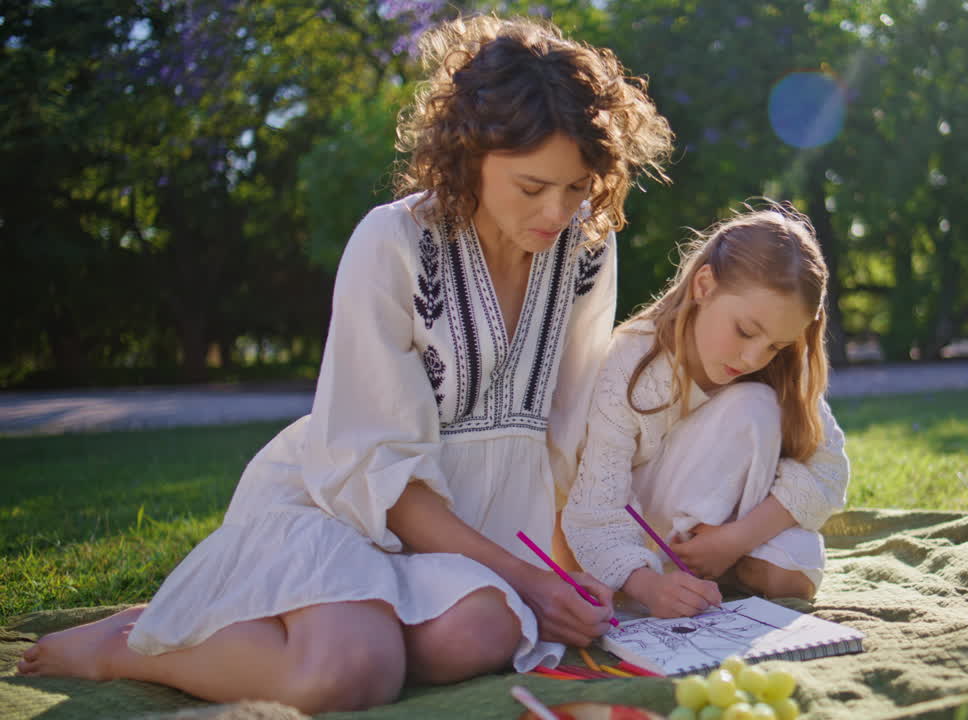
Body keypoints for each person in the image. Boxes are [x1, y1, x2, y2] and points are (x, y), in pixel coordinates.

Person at [18, 15, 672, 713]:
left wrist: (572, 575)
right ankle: (129, 641)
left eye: (577, 188)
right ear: (468, 153)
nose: (558, 210)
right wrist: (525, 578)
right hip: (346, 512)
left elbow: (567, 435)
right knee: (349, 675)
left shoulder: (586, 247)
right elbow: (378, 472)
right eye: (533, 185)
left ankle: (266, 618)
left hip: (475, 544)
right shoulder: (391, 241)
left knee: (482, 634)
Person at [561, 203, 850, 619]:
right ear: (704, 286)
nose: (754, 357)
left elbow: (829, 470)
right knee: (754, 406)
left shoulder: (782, 361)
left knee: (797, 571)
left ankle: (713, 562)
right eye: (746, 331)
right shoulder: (632, 362)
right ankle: (685, 569)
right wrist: (649, 586)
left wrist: (732, 540)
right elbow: (596, 509)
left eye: (775, 345)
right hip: (646, 537)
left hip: (732, 528)